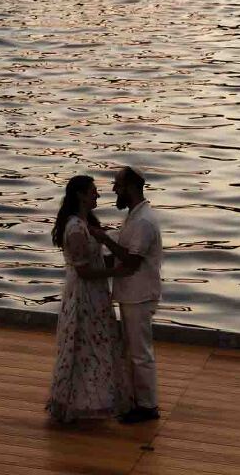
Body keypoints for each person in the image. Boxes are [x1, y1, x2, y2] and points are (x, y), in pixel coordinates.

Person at [46, 174, 133, 424]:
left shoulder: (85, 224)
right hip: (84, 295)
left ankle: (92, 399)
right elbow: (84, 270)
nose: (97, 194)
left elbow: (92, 261)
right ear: (81, 195)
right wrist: (115, 272)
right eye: (93, 191)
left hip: (94, 293)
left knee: (94, 345)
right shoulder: (75, 228)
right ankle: (80, 401)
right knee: (83, 345)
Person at [91, 166, 162, 423]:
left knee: (140, 352)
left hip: (139, 295)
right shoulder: (136, 216)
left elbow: (131, 262)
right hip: (133, 294)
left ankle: (147, 406)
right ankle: (137, 401)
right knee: (133, 350)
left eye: (118, 185)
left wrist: (103, 239)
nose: (114, 190)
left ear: (130, 188)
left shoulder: (143, 221)